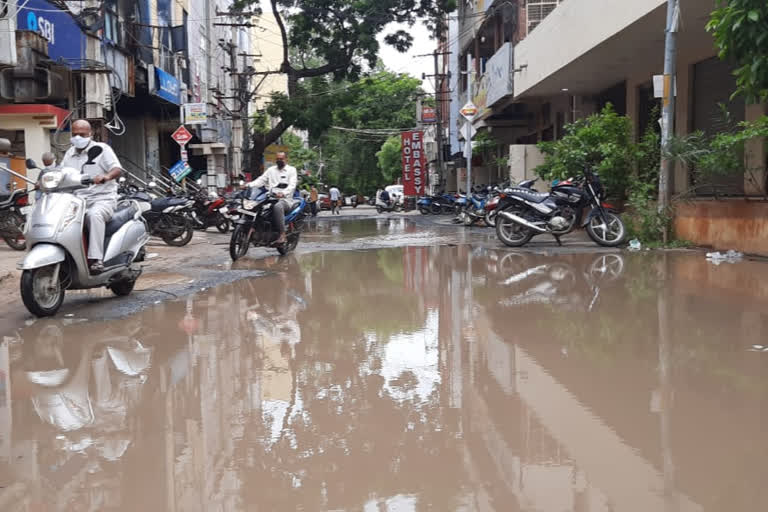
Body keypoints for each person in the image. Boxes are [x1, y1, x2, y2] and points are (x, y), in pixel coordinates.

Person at [60, 120, 123, 274]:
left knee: (94, 215)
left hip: (102, 199)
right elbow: (61, 173)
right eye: (74, 134)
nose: (77, 137)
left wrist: (106, 176)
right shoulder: (69, 153)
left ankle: (96, 259)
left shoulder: (102, 149)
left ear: (90, 134)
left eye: (82, 134)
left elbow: (117, 169)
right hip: (77, 201)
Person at [247, 151, 297, 246]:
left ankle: (282, 234)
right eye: (277, 159)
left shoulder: (292, 170)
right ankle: (256, 230)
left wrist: (283, 193)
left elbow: (292, 185)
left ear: (286, 159)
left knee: (278, 207)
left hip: (285, 200)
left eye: (281, 159)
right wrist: (248, 185)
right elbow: (261, 180)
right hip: (270, 198)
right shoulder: (271, 170)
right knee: (256, 206)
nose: (279, 161)